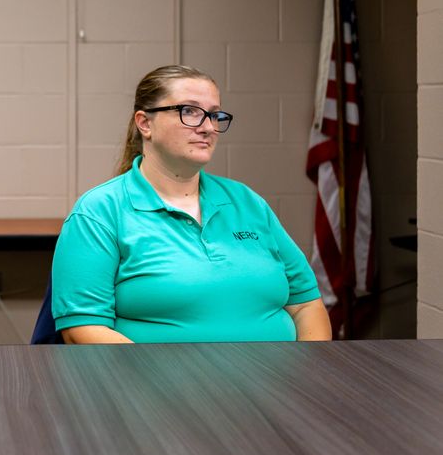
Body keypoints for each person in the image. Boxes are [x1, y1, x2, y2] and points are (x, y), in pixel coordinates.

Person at [51, 65, 332, 344]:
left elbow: (306, 304)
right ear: (145, 123)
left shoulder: (246, 201)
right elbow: (83, 330)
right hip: (159, 387)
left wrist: (305, 375)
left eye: (214, 115)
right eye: (190, 112)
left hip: (278, 384)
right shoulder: (99, 211)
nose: (208, 127)